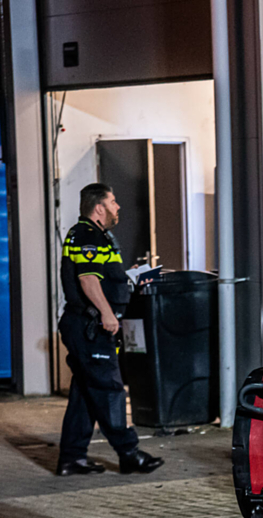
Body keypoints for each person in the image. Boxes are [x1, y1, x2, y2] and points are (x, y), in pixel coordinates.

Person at [57, 183, 164, 476]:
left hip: (89, 325)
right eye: (113, 202)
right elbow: (88, 281)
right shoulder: (86, 235)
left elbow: (104, 278)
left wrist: (130, 279)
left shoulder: (98, 236)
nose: (118, 207)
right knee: (109, 390)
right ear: (99, 207)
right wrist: (107, 314)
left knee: (86, 394)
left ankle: (72, 458)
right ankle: (129, 454)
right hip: (90, 325)